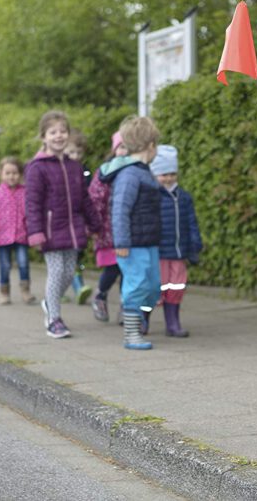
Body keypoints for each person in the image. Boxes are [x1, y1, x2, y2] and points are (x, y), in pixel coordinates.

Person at [25, 110, 100, 339]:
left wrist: (94, 224)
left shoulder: (74, 166)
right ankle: (54, 319)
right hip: (50, 229)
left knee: (68, 273)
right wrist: (35, 232)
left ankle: (50, 302)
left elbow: (84, 198)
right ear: (43, 137)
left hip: (73, 228)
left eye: (63, 131)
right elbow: (32, 202)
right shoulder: (37, 168)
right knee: (56, 272)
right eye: (53, 132)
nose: (58, 136)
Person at [98, 116, 160, 350]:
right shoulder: (130, 175)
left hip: (149, 241)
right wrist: (121, 242)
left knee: (153, 287)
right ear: (151, 146)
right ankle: (131, 334)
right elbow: (120, 210)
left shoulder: (144, 171)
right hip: (132, 244)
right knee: (136, 285)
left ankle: (138, 321)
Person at [150, 145, 203, 337]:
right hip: (159, 252)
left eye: (172, 173)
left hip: (179, 252)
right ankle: (143, 320)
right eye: (163, 174)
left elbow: (191, 222)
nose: (168, 178)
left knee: (177, 286)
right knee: (155, 288)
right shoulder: (152, 196)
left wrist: (195, 244)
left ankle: (173, 322)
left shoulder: (184, 197)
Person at [0, 156, 36, 305]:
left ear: (21, 175)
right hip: (2, 238)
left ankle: (25, 290)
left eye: (15, 173)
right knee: (5, 266)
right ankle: (4, 292)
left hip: (21, 236)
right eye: (8, 173)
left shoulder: (26, 193)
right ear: (1, 174)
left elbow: (32, 214)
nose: (11, 176)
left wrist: (34, 233)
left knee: (23, 263)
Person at [88, 131, 127, 322]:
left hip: (129, 231)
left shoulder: (137, 170)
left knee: (127, 270)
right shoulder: (105, 172)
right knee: (113, 267)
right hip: (108, 230)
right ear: (114, 150)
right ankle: (100, 294)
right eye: (122, 147)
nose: (125, 151)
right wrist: (94, 226)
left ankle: (126, 306)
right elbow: (95, 200)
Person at [63, 129, 93, 305]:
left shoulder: (85, 171)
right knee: (65, 256)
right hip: (62, 221)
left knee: (77, 254)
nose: (75, 156)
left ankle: (75, 286)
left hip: (79, 220)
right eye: (71, 152)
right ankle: (76, 287)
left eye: (79, 153)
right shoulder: (59, 171)